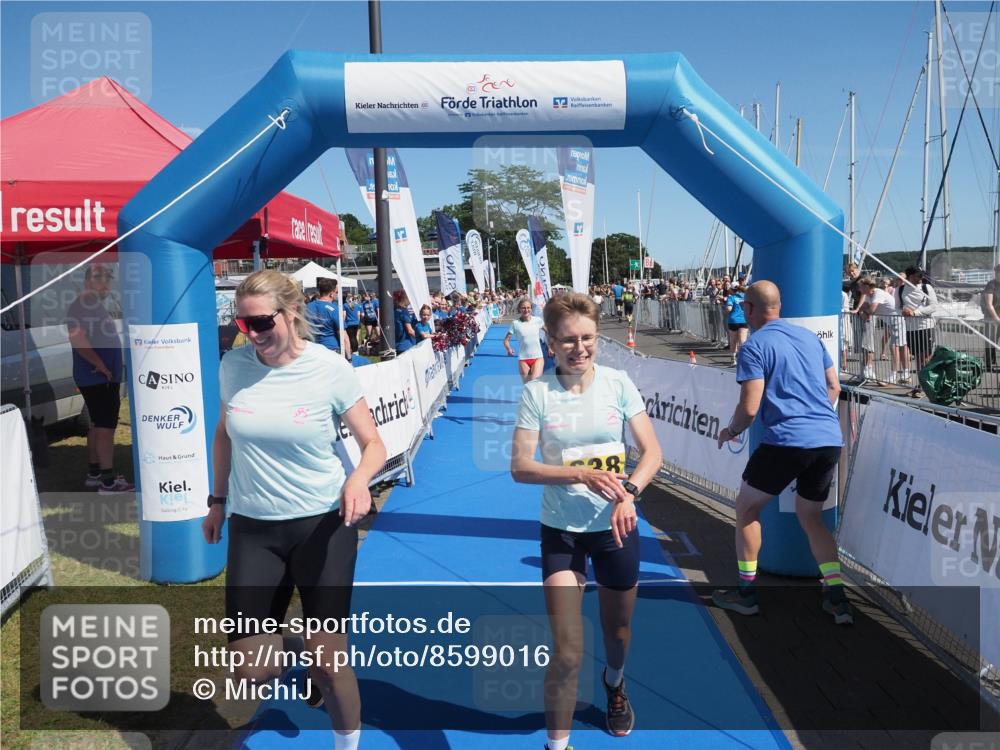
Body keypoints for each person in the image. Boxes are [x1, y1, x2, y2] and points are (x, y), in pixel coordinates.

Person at [202, 270, 387, 750]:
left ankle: (345, 739)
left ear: (292, 313)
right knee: (250, 668)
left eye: (262, 322)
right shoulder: (234, 366)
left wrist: (359, 480)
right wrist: (217, 501)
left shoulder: (329, 368)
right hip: (254, 528)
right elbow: (224, 434)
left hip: (322, 526)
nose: (253, 333)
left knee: (329, 664)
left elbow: (373, 444)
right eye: (243, 324)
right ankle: (304, 654)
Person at [510, 292, 662, 747]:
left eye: (588, 338)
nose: (580, 348)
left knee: (617, 632)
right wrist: (578, 473)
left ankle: (615, 683)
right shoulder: (537, 392)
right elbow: (520, 467)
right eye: (569, 340)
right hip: (562, 532)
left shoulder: (617, 383)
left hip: (616, 528)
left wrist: (629, 492)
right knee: (568, 650)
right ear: (550, 342)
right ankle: (556, 745)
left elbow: (652, 453)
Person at [713, 281, 851, 625]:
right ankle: (837, 598)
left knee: (746, 509)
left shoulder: (753, 346)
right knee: (810, 517)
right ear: (779, 306)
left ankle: (745, 594)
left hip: (788, 440)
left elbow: (750, 406)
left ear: (748, 310)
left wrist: (731, 431)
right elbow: (833, 386)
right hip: (828, 438)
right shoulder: (808, 338)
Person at [66, 263, 134, 494]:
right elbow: (77, 338)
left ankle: (95, 474)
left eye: (108, 279)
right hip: (98, 378)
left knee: (96, 425)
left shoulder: (92, 305)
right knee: (105, 428)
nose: (106, 284)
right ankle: (108, 481)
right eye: (100, 279)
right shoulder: (83, 305)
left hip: (99, 378)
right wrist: (100, 365)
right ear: (87, 283)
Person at [898, 266, 939, 394]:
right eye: (918, 275)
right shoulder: (900, 290)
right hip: (910, 328)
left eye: (922, 275)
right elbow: (897, 308)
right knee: (919, 358)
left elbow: (934, 306)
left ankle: (926, 385)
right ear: (910, 277)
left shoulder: (927, 288)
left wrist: (915, 312)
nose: (921, 278)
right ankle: (923, 384)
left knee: (926, 357)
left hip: (926, 326)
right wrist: (903, 311)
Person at [504, 298, 546, 383]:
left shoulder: (537, 320)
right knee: (527, 386)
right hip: (523, 359)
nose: (526, 310)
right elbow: (506, 340)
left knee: (535, 383)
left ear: (531, 308)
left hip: (538, 357)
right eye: (523, 308)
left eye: (528, 307)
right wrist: (509, 349)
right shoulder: (515, 323)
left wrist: (552, 347)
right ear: (519, 309)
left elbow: (550, 333)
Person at [305, 278, 349, 357]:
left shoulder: (307, 307)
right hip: (331, 350)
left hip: (313, 350)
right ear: (331, 294)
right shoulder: (334, 309)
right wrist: (349, 358)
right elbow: (344, 337)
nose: (336, 294)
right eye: (336, 292)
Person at [724, 284, 748, 366]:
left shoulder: (731, 297)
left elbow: (729, 309)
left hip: (733, 321)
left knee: (733, 341)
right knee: (742, 341)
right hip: (743, 320)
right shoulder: (745, 296)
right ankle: (743, 359)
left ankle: (733, 360)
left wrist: (726, 311)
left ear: (731, 289)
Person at [982, 264, 1000, 371]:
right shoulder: (991, 285)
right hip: (991, 318)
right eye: (998, 272)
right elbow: (989, 304)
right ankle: (989, 364)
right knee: (990, 341)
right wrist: (997, 319)